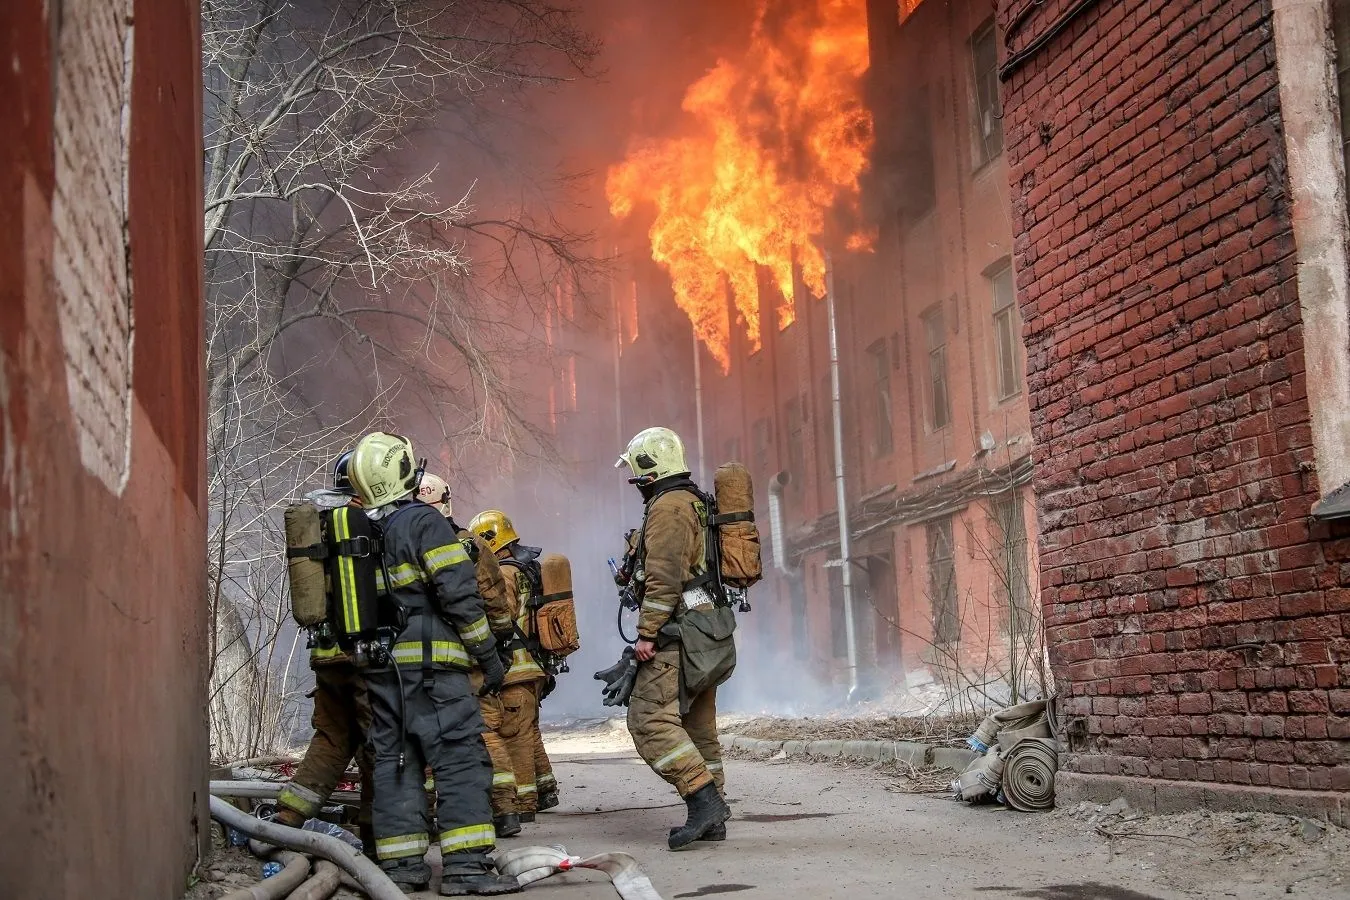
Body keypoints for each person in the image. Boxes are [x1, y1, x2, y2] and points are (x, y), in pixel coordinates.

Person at [347, 432, 519, 896]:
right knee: (462, 761)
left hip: (383, 672)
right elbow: (459, 596)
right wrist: (487, 655)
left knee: (396, 762)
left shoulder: (360, 529)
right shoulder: (423, 523)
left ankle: (402, 870)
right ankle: (466, 871)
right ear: (402, 473)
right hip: (434, 672)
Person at [615, 426, 736, 849]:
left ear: (648, 468)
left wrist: (646, 636)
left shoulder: (667, 508)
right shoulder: (696, 501)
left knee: (648, 720)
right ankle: (714, 812)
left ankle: (703, 802)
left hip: (678, 634)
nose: (634, 482)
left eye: (635, 471)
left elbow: (663, 579)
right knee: (697, 724)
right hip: (710, 631)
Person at [274, 451, 375, 856]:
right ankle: (380, 836)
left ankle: (286, 820)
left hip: (326, 652)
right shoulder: (370, 523)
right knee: (379, 743)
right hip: (365, 655)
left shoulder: (318, 521)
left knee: (332, 738)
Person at [418, 474, 522, 838]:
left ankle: (428, 818)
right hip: (472, 656)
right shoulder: (471, 545)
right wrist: (499, 647)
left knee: (424, 735)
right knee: (483, 732)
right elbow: (495, 601)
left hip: (418, 660)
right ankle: (506, 810)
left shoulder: (399, 541)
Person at [467, 510, 559, 822]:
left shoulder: (504, 573)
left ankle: (523, 803)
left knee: (512, 734)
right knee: (528, 731)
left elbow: (500, 617)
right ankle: (546, 789)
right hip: (533, 667)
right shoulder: (525, 569)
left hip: (514, 671)